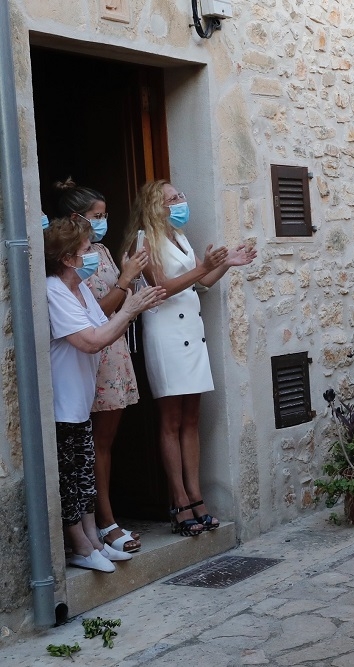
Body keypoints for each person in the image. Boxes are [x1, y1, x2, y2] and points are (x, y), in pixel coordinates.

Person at [122, 181, 256, 537]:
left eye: (181, 195)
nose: (181, 201)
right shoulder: (144, 240)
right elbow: (162, 287)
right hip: (164, 334)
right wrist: (203, 268)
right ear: (155, 206)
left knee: (191, 418)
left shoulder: (179, 236)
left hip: (191, 335)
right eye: (172, 198)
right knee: (170, 420)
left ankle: (196, 495)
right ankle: (179, 500)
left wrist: (227, 263)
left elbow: (203, 281)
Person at [43, 216, 163, 572]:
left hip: (80, 402)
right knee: (69, 477)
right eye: (85, 250)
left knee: (82, 476)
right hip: (63, 403)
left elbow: (102, 326)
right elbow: (91, 341)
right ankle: (80, 546)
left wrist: (128, 309)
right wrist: (130, 309)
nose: (91, 254)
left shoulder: (78, 289)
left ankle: (94, 539)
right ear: (68, 258)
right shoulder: (54, 289)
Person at [55, 179, 149, 554]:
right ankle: (105, 523)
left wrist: (132, 280)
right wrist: (126, 283)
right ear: (77, 218)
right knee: (95, 446)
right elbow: (97, 312)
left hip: (116, 350)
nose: (103, 221)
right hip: (97, 351)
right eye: (97, 216)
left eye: (105, 215)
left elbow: (120, 295)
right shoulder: (73, 261)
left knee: (106, 443)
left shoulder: (103, 251)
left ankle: (101, 522)